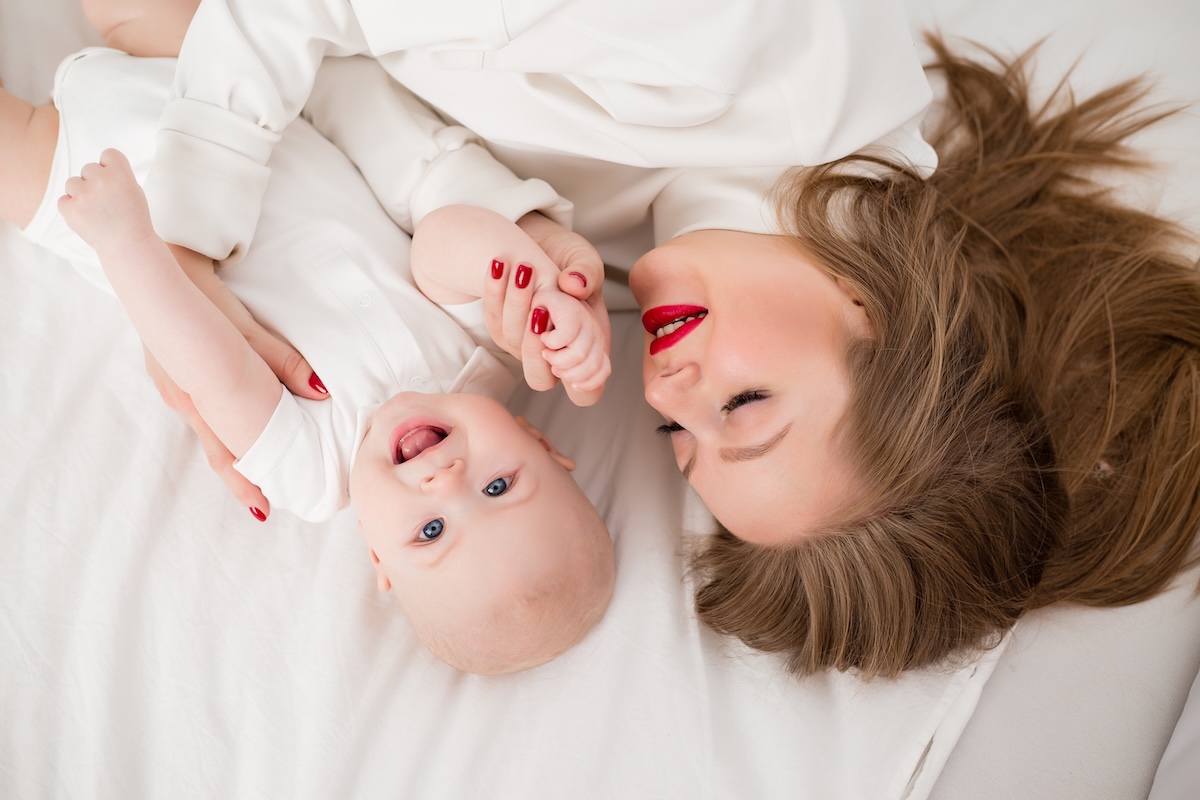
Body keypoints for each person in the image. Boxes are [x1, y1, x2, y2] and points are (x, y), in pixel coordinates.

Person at [0, 41, 615, 675]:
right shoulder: (488, 353)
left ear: (379, 558)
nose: (445, 480)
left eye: (429, 531)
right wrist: (529, 284)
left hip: (94, 175)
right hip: (234, 95)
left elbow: (216, 367)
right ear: (539, 441)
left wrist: (129, 243)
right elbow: (439, 239)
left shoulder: (313, 472)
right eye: (497, 486)